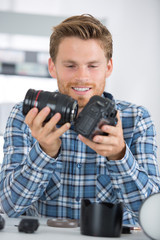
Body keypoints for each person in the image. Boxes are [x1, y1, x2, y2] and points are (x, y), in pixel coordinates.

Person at [0, 14, 160, 225]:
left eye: (93, 66)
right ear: (52, 66)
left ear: (108, 67)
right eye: (70, 65)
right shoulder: (26, 116)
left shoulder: (136, 119)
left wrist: (119, 155)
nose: (82, 77)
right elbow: (8, 206)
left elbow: (152, 217)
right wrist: (44, 152)